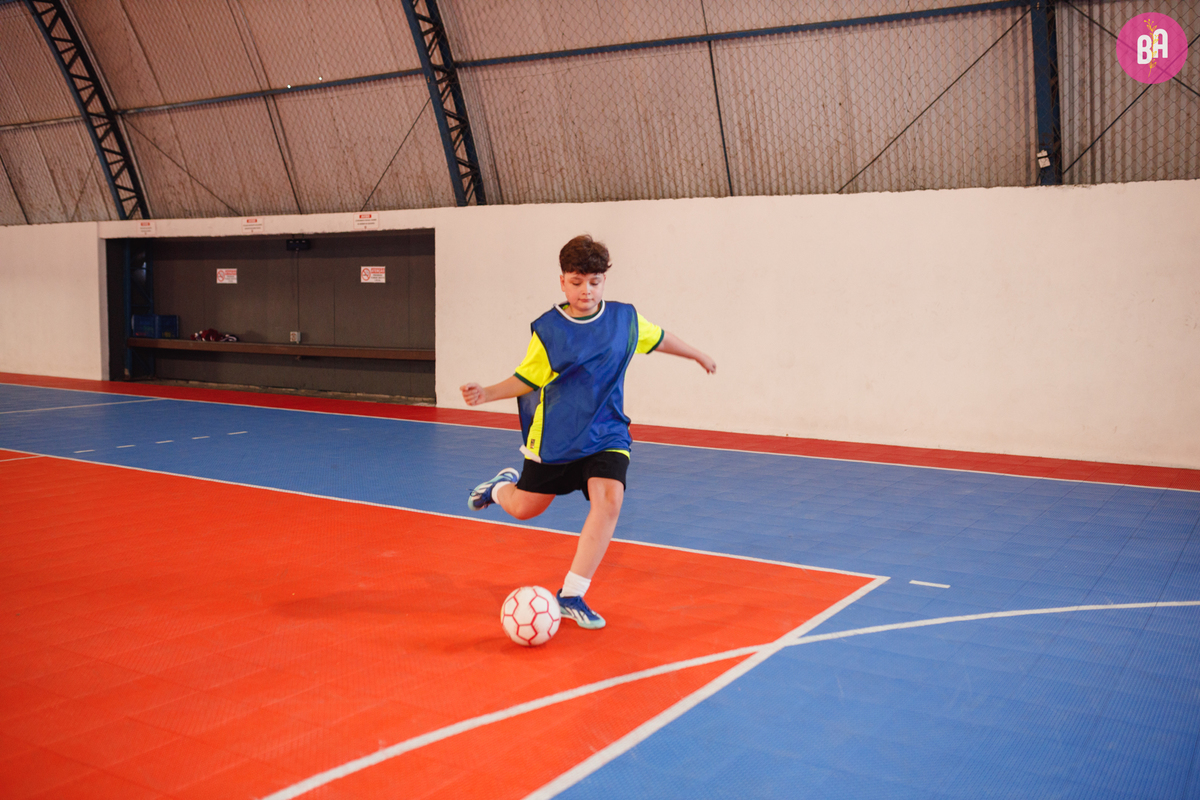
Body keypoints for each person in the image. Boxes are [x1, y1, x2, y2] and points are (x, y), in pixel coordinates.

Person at [459, 234, 716, 629]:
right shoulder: (550, 330)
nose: (586, 291)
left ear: (604, 281)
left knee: (609, 500)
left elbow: (659, 338)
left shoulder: (624, 320)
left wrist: (697, 354)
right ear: (562, 282)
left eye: (594, 282)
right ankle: (497, 489)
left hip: (607, 432)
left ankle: (572, 594)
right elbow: (527, 379)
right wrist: (486, 393)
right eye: (577, 282)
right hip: (558, 437)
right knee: (526, 508)